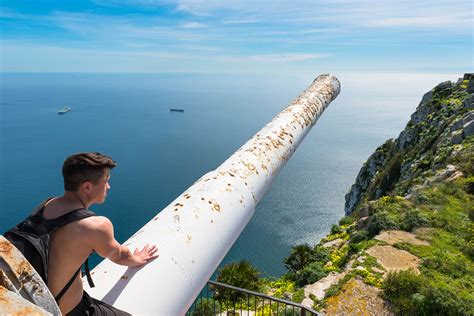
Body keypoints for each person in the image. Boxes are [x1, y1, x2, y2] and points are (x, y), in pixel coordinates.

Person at [41, 152, 158, 315]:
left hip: (36, 301)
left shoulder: (46, 205)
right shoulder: (95, 226)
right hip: (71, 311)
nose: (108, 186)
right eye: (106, 181)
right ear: (87, 187)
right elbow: (120, 256)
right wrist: (139, 258)